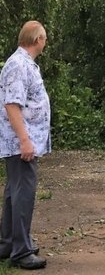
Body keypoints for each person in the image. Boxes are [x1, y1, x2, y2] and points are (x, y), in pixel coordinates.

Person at [0, 20, 51, 270]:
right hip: (21, 143)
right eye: (45, 38)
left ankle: (9, 243)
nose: (46, 42)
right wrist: (24, 140)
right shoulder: (19, 65)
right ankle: (21, 251)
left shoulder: (23, 63)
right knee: (23, 194)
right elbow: (12, 104)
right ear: (37, 40)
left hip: (21, 141)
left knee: (14, 192)